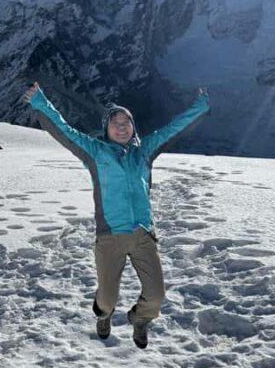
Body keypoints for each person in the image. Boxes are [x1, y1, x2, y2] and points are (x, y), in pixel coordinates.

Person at [24, 81, 211, 349]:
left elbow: (174, 128)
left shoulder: (144, 151)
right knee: (107, 299)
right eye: (115, 122)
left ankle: (139, 319)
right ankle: (104, 315)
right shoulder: (95, 152)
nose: (122, 127)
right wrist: (40, 102)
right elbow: (64, 130)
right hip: (110, 236)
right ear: (106, 128)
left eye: (127, 122)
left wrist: (201, 106)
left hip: (142, 235)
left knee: (156, 297)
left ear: (134, 127)